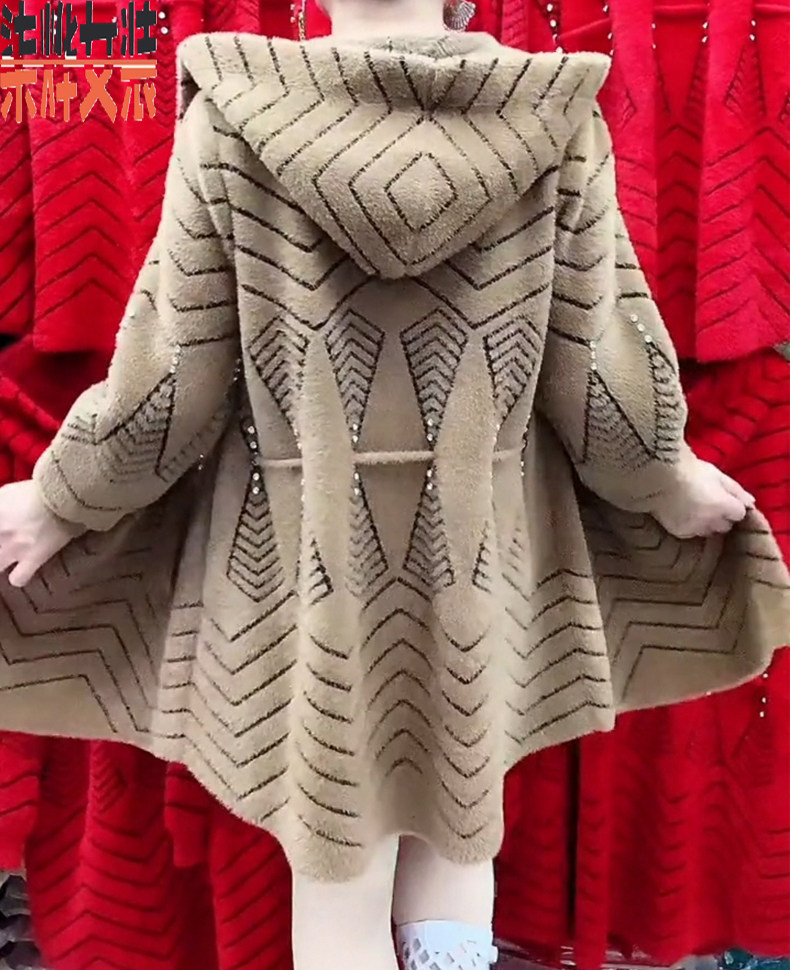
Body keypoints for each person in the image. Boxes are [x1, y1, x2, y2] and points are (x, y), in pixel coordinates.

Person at [0, 1, 788, 968]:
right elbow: (602, 382)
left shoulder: (239, 116)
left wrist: (61, 499)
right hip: (478, 575)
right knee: (457, 838)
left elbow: (170, 386)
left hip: (310, 580)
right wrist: (669, 482)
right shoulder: (548, 117)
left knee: (340, 873)